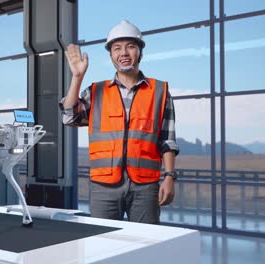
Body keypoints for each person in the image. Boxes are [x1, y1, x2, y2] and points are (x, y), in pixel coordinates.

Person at [59, 20, 179, 224]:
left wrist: (169, 176)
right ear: (111, 55)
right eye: (117, 48)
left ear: (140, 52)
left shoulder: (160, 92)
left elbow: (167, 140)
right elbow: (69, 116)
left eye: (130, 46)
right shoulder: (96, 91)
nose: (123, 53)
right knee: (102, 244)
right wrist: (77, 77)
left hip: (145, 185)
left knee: (144, 244)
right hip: (104, 185)